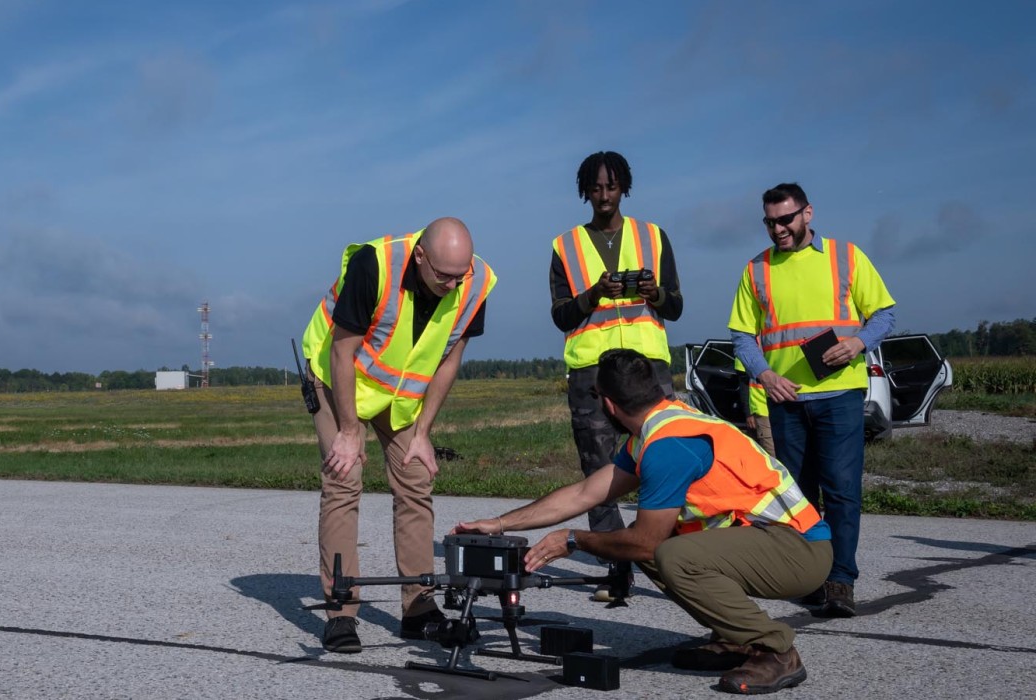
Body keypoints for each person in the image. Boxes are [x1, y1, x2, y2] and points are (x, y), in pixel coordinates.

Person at [454, 349, 832, 695]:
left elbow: (645, 542)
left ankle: (776, 650)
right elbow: (585, 493)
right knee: (656, 550)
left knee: (665, 552)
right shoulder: (656, 430)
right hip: (771, 544)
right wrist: (500, 524)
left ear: (608, 404)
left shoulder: (669, 446)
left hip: (798, 552)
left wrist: (574, 540)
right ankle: (736, 639)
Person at [301, 217, 496, 654]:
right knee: (343, 478)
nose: (451, 285)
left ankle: (419, 608)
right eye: (442, 275)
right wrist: (350, 431)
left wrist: (424, 431)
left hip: (396, 391)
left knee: (415, 478)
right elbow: (342, 350)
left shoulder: (475, 280)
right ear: (421, 255)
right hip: (338, 379)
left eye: (458, 276)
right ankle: (340, 613)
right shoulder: (375, 265)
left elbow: (449, 359)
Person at [728, 182, 896, 618]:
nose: (778, 229)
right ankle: (812, 578)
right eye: (770, 222)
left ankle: (841, 581)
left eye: (785, 219)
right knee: (800, 497)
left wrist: (859, 343)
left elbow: (884, 314)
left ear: (807, 214)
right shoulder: (756, 270)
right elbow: (742, 335)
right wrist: (763, 374)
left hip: (840, 395)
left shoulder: (847, 256)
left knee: (841, 492)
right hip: (785, 399)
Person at [549, 151, 683, 600]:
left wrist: (655, 292)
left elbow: (676, 307)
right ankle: (616, 573)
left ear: (624, 187)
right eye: (595, 187)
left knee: (666, 465)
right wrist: (592, 295)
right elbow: (561, 315)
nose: (603, 196)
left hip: (647, 371)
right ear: (584, 190)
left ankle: (677, 561)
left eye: (611, 186)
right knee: (600, 475)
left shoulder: (652, 236)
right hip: (590, 374)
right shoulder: (564, 246)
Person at [735, 357, 776, 457]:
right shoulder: (746, 350)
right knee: (772, 456)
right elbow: (744, 385)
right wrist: (748, 413)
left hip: (782, 407)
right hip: (762, 410)